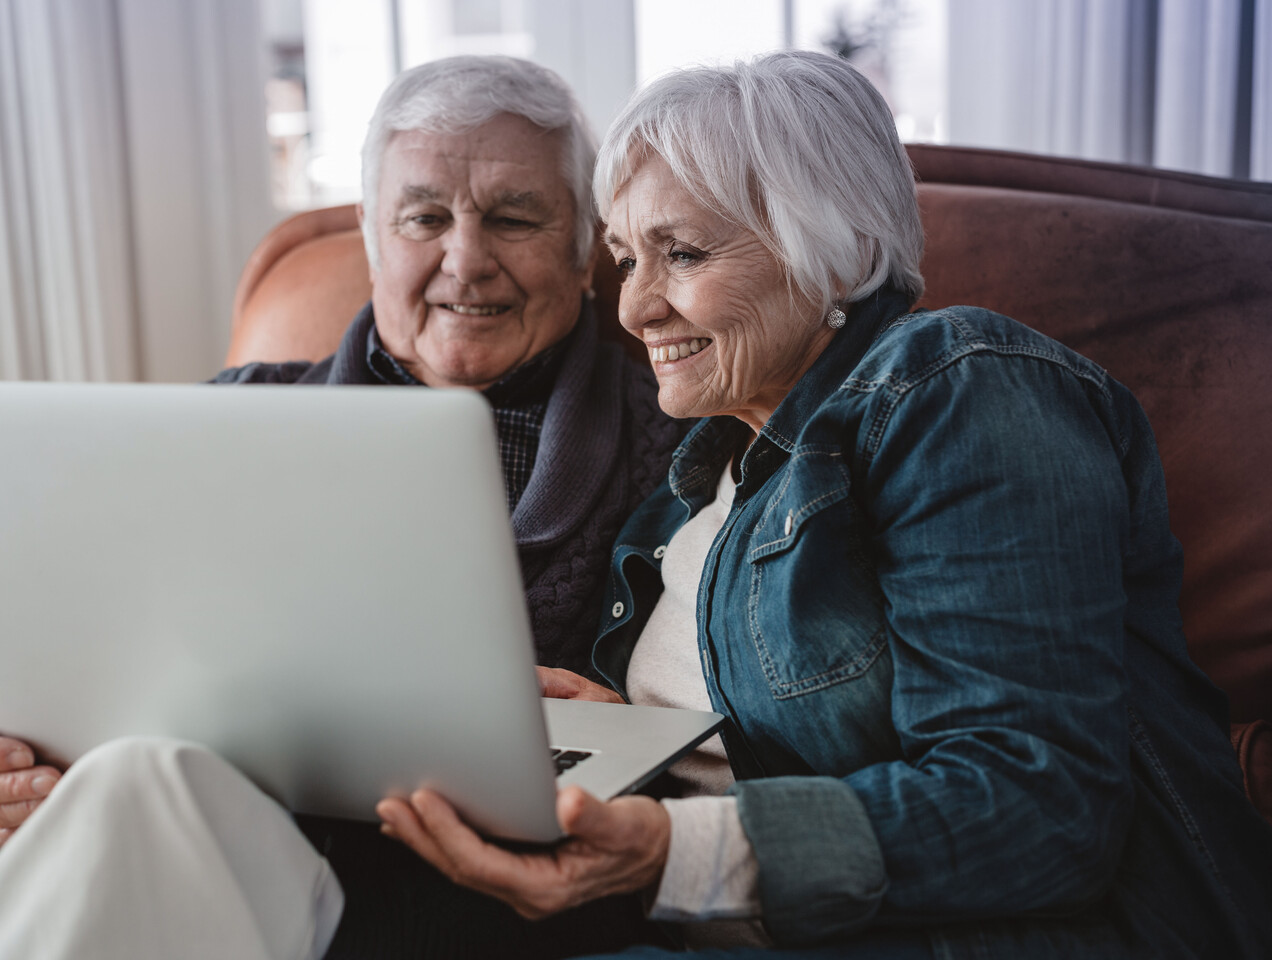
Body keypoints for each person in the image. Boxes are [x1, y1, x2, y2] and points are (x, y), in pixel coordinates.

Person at [373, 51, 1272, 958]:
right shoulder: (694, 494)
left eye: (681, 253)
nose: (635, 307)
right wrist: (643, 745)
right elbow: (769, 742)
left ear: (835, 251)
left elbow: (1039, 805)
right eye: (625, 259)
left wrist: (668, 846)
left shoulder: (960, 386)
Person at [0, 56, 682, 959]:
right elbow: (92, 657)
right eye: (423, 217)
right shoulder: (221, 418)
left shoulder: (682, 445)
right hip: (210, 859)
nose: (466, 260)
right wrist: (6, 750)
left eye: (515, 217)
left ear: (582, 240)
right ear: (370, 235)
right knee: (137, 777)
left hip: (486, 903)